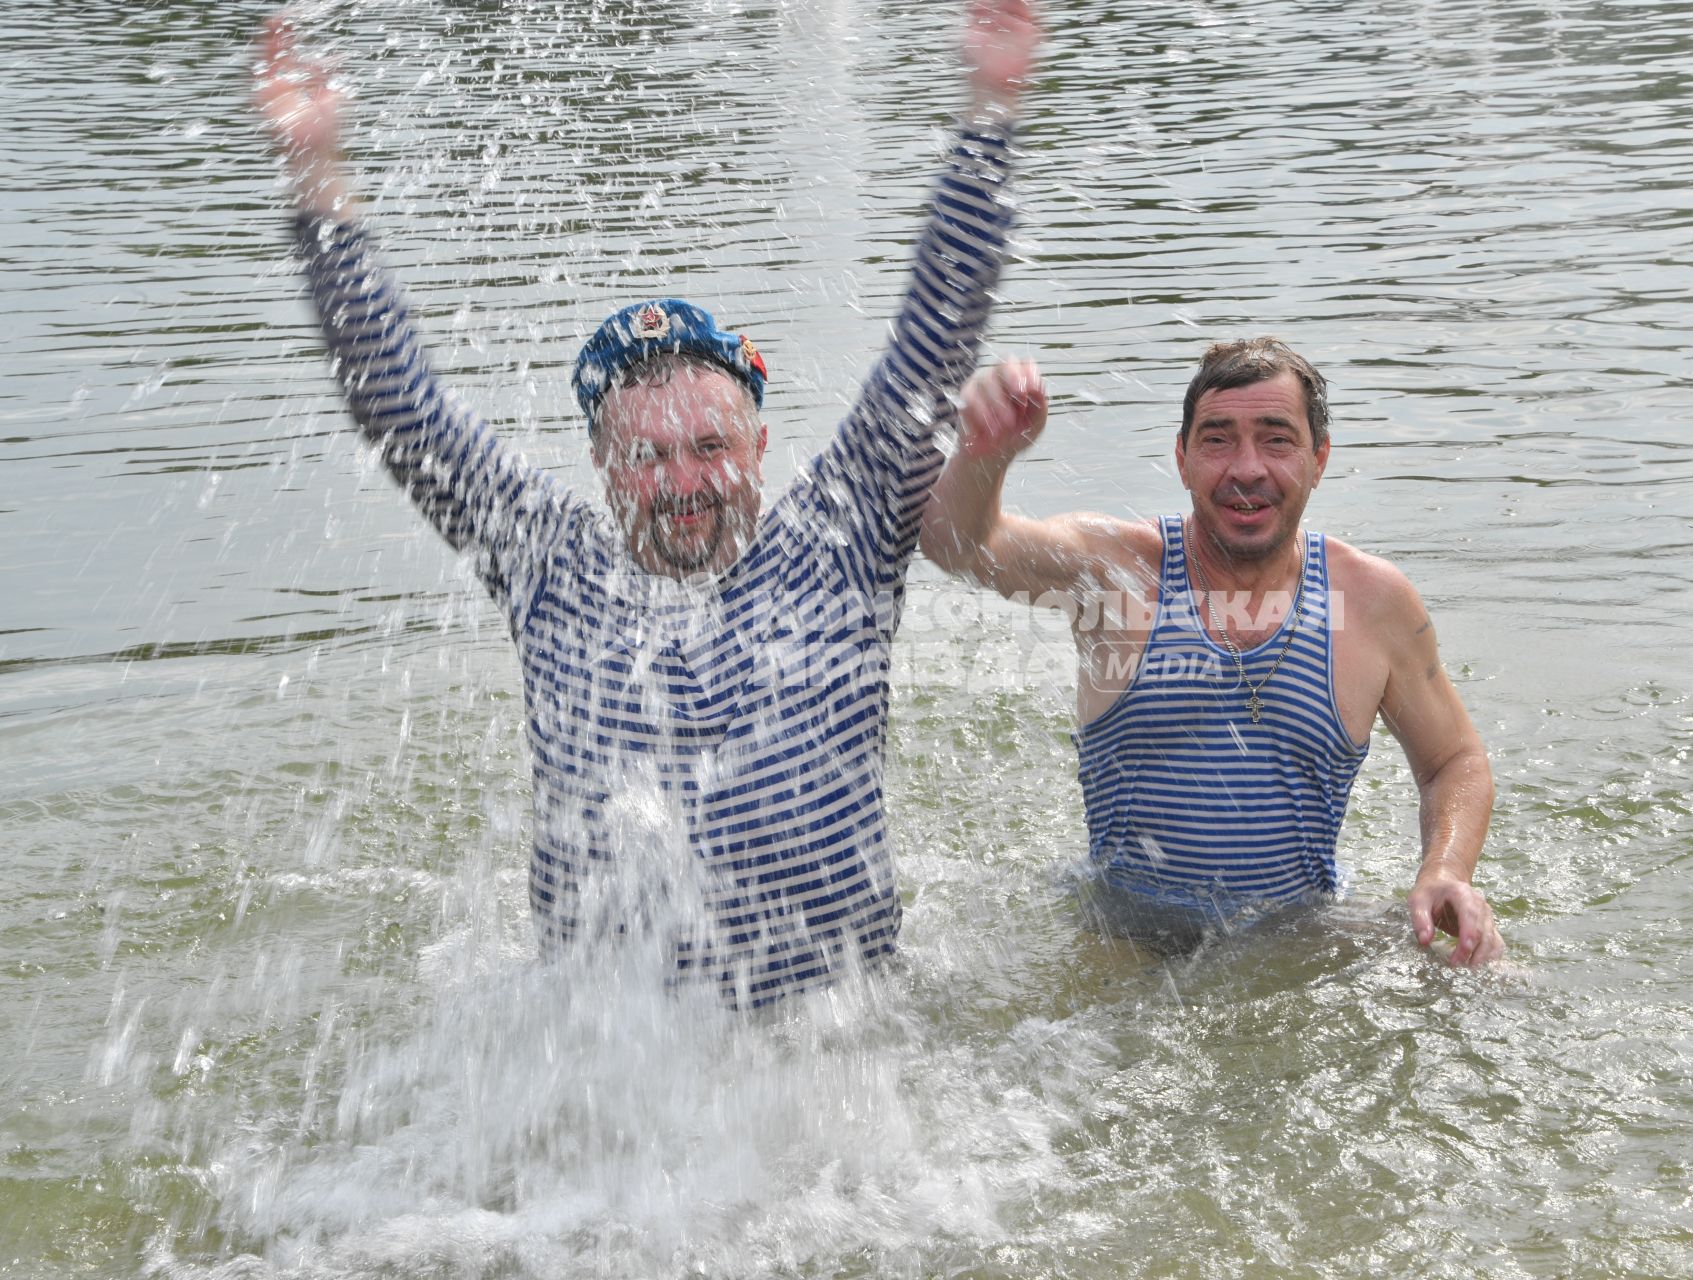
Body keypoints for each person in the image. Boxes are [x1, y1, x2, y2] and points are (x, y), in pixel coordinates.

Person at [253, 0, 1042, 1008]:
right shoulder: (546, 560)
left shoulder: (842, 537)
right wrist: (317, 174)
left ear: (757, 443)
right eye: (647, 455)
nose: (682, 482)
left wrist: (990, 108)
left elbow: (936, 334)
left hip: (835, 1046)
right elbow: (395, 404)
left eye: (710, 445)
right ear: (599, 460)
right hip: (609, 1059)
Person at [921, 342, 1505, 965]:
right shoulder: (1117, 572)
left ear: (1319, 459)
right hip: (1123, 943)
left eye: (1276, 439)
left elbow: (1454, 760)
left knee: (1489, 969)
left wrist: (1444, 872)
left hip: (1298, 939)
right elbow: (961, 544)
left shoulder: (1372, 601)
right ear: (1182, 459)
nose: (1246, 469)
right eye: (1217, 440)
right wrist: (986, 453)